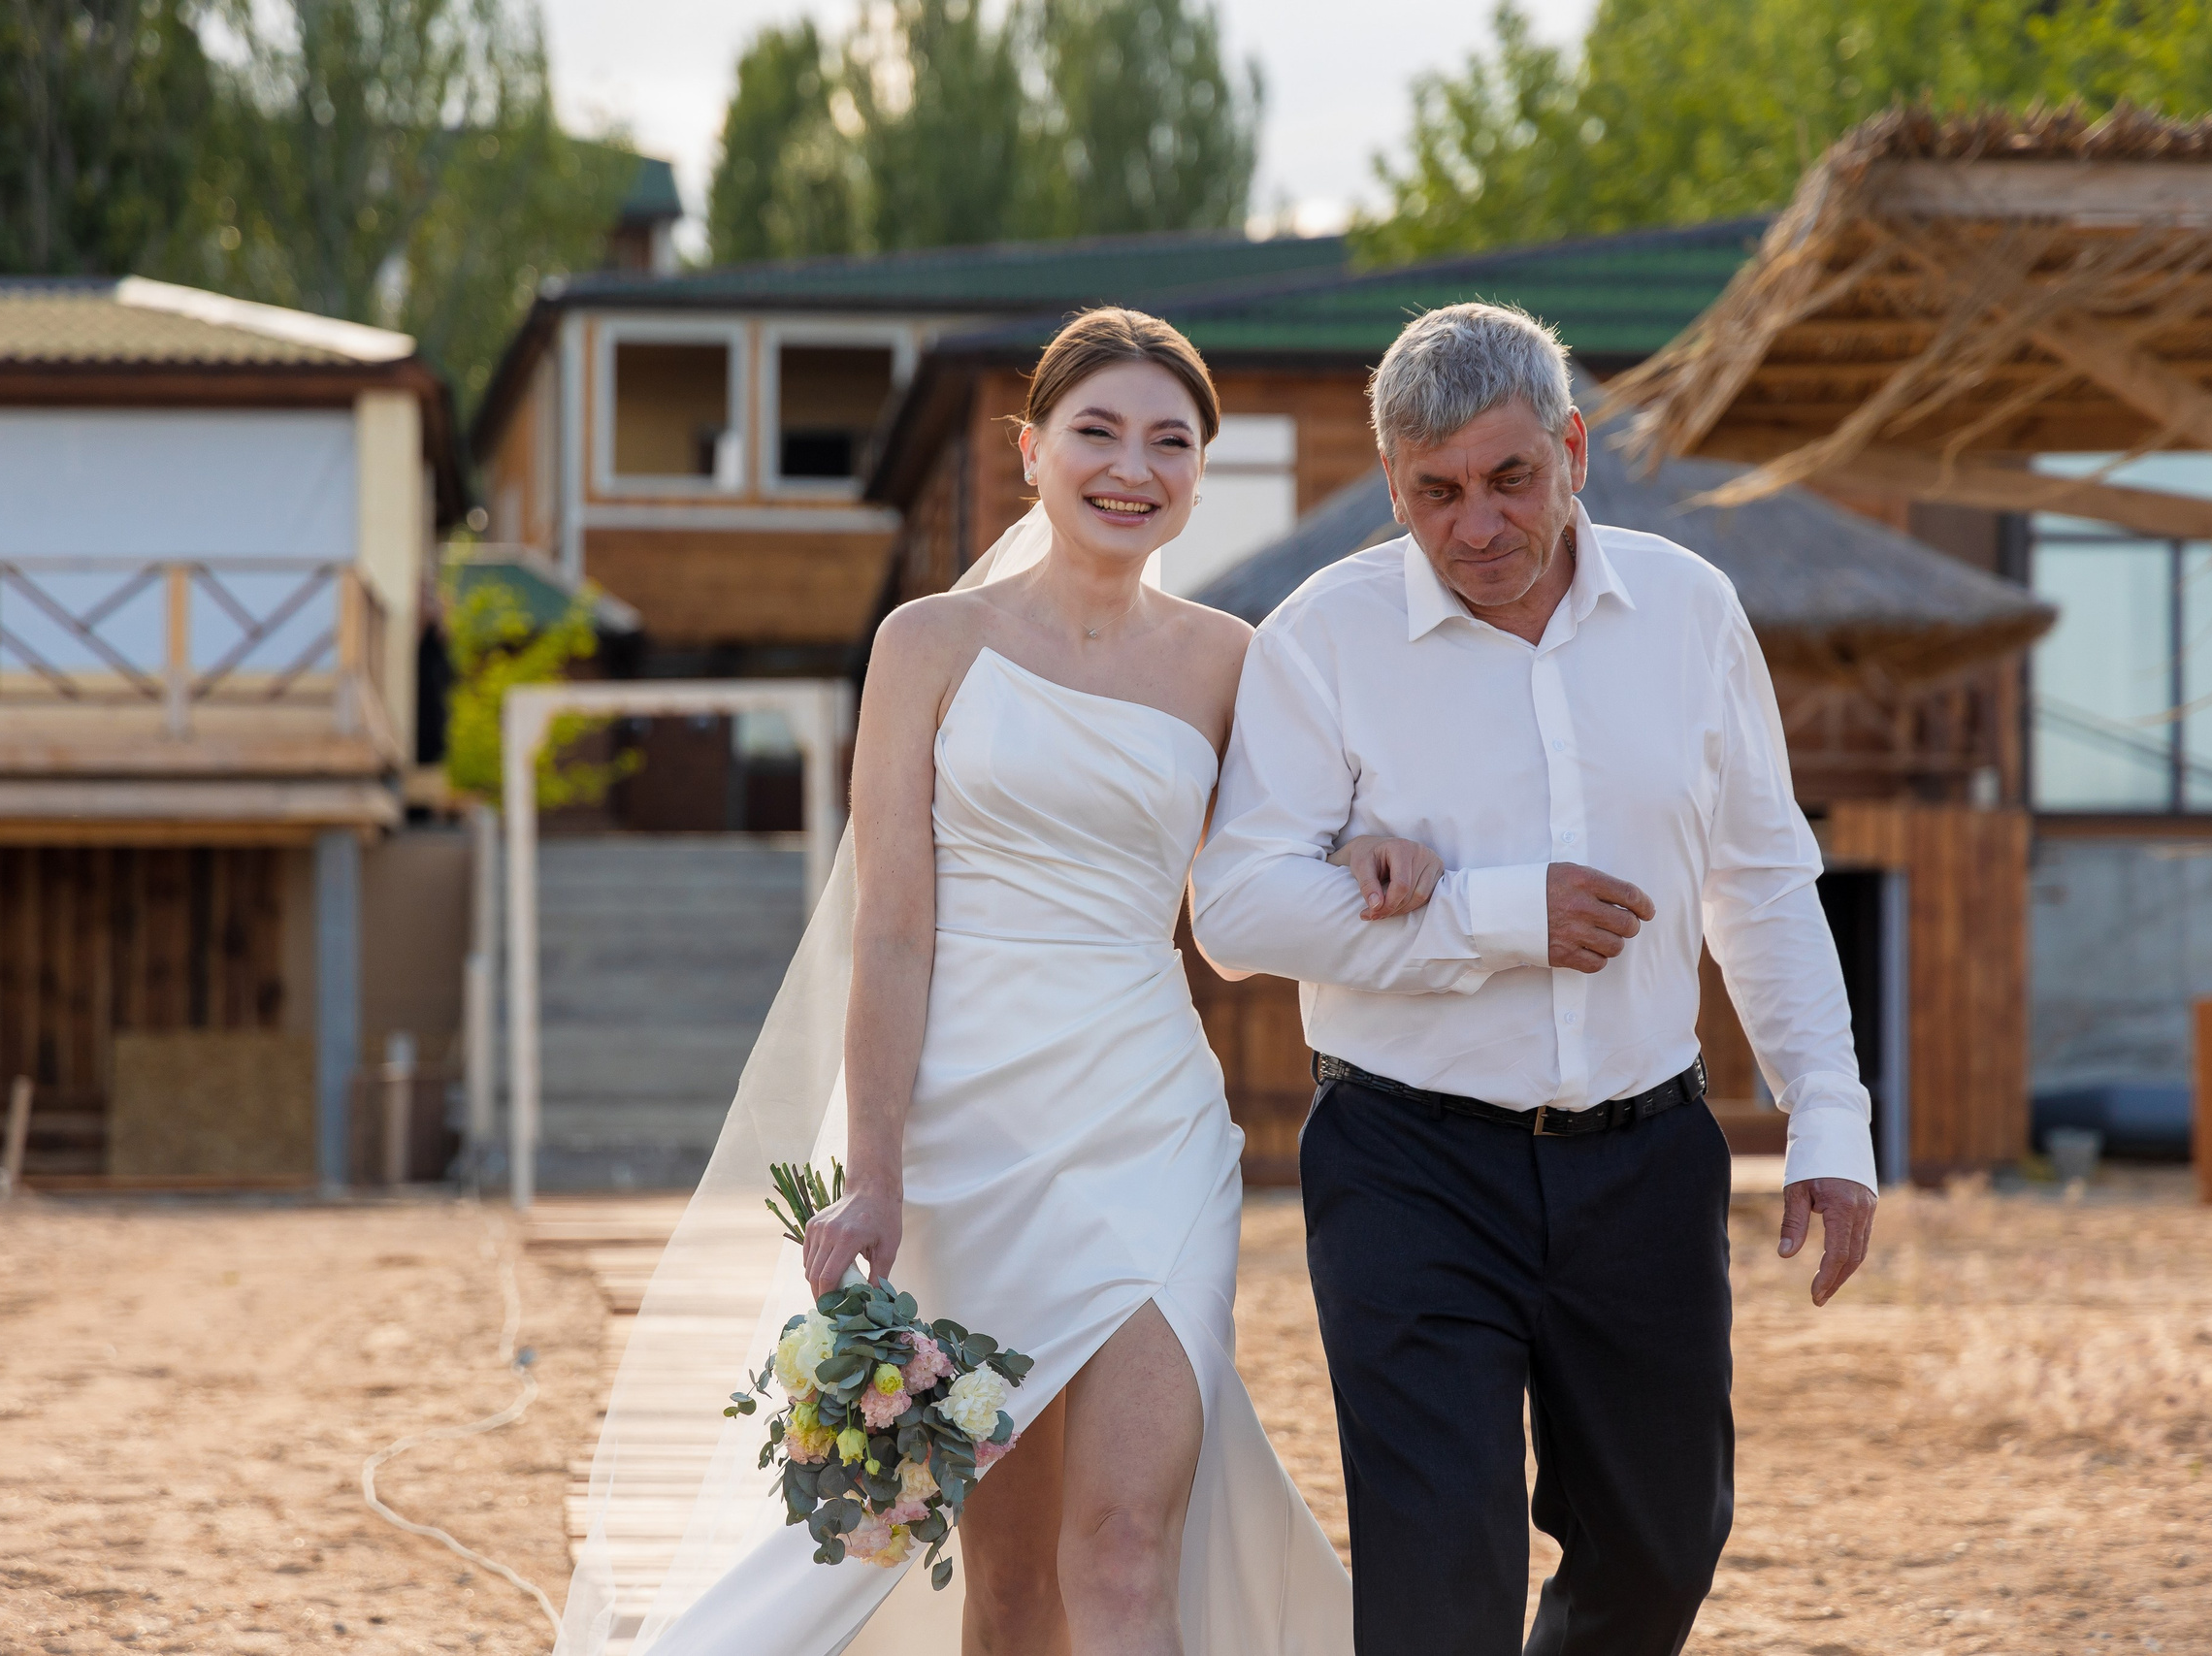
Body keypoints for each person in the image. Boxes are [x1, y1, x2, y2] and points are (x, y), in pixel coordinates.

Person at [557, 307, 1354, 1656]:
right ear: (1033, 449)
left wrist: (1374, 852)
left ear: (1198, 474)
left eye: (1171, 441)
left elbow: (1267, 875)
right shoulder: (927, 643)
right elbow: (893, 935)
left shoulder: (1235, 663)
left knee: (1121, 1549)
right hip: (966, 1140)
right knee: (1005, 1584)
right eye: (1098, 431)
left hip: (1151, 1123)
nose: (1132, 466)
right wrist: (875, 1173)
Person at [1190, 301, 1880, 1655]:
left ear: (1572, 448)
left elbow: (1762, 877)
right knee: (1442, 1572)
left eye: (1512, 479)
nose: (1477, 526)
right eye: (1435, 493)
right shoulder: (1320, 639)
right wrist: (1501, 916)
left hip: (1646, 1157)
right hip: (1406, 1164)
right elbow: (1235, 909)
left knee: (1663, 1543)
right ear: (1392, 485)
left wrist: (1829, 1116)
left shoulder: (1691, 609)